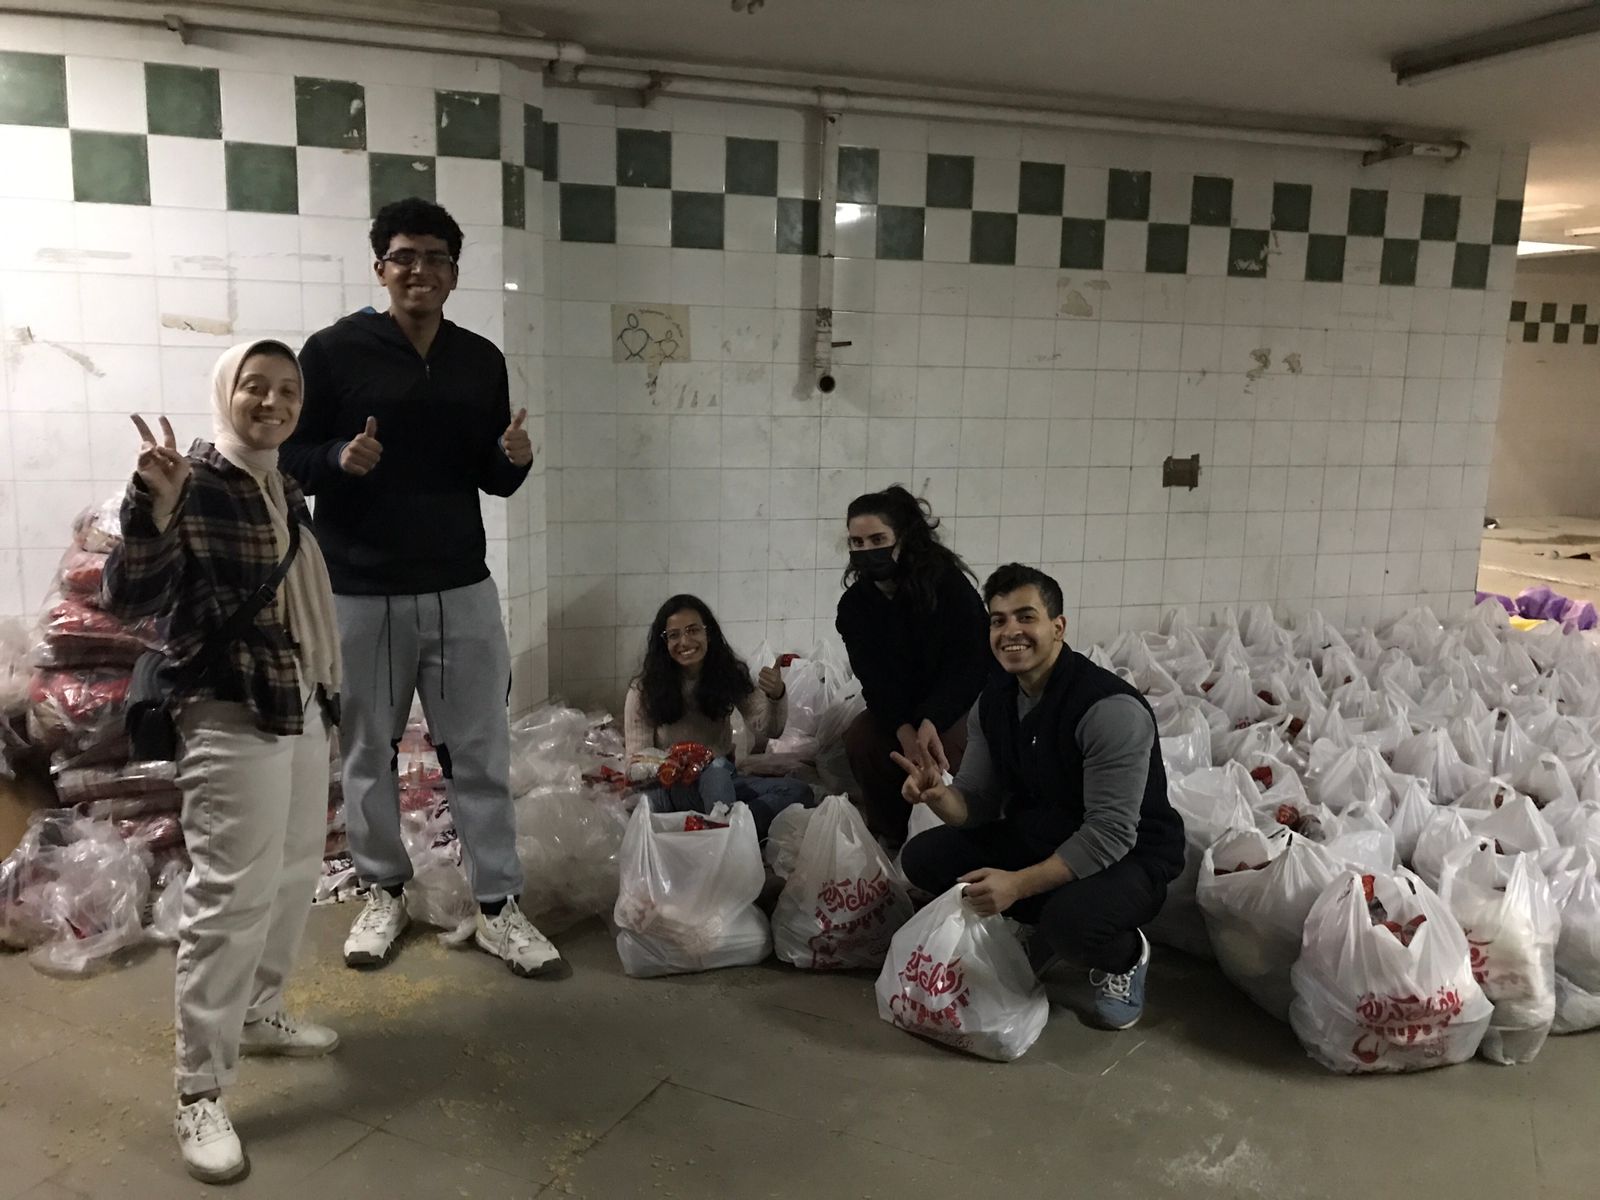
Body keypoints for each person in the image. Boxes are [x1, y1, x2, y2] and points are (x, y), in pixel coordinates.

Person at [280, 197, 560, 978]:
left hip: (459, 586)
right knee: (366, 752)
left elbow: (492, 479)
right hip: (359, 590)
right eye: (404, 256)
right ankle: (383, 893)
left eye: (436, 258)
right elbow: (288, 454)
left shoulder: (478, 359)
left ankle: (499, 906)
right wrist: (336, 458)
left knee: (480, 753)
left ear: (454, 273)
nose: (420, 271)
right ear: (380, 267)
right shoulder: (334, 352)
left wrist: (513, 458)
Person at [103, 341, 342, 1184]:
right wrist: (152, 506)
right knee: (227, 898)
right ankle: (198, 1090)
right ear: (225, 392)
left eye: (287, 389)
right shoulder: (195, 481)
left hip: (300, 701)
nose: (272, 400)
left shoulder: (282, 483)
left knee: (291, 870)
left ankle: (261, 1011)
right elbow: (130, 597)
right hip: (229, 711)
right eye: (256, 386)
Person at [897, 563, 1186, 1031]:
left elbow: (1110, 834)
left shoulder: (1108, 709)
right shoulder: (993, 703)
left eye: (1025, 617)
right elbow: (976, 803)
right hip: (1043, 833)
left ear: (1058, 627)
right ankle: (1042, 918)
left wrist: (1017, 885)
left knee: (1071, 924)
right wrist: (938, 795)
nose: (1011, 631)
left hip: (1129, 855)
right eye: (998, 620)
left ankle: (1126, 956)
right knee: (925, 858)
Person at [835, 486, 990, 848]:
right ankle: (894, 834)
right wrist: (904, 729)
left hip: (957, 701)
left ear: (902, 539)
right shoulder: (856, 605)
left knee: (943, 754)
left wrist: (932, 720)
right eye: (856, 543)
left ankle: (955, 835)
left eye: (877, 539)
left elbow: (970, 664)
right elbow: (874, 678)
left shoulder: (947, 588)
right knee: (863, 740)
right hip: (901, 705)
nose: (866, 550)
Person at [624, 596, 816, 840]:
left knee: (798, 792)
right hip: (671, 788)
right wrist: (673, 764)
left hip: (722, 782)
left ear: (709, 634)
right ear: (663, 642)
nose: (685, 642)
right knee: (646, 804)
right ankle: (728, 837)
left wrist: (776, 695)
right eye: (673, 635)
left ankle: (718, 831)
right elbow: (634, 765)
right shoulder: (644, 689)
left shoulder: (727, 674)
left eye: (693, 630)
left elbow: (770, 729)